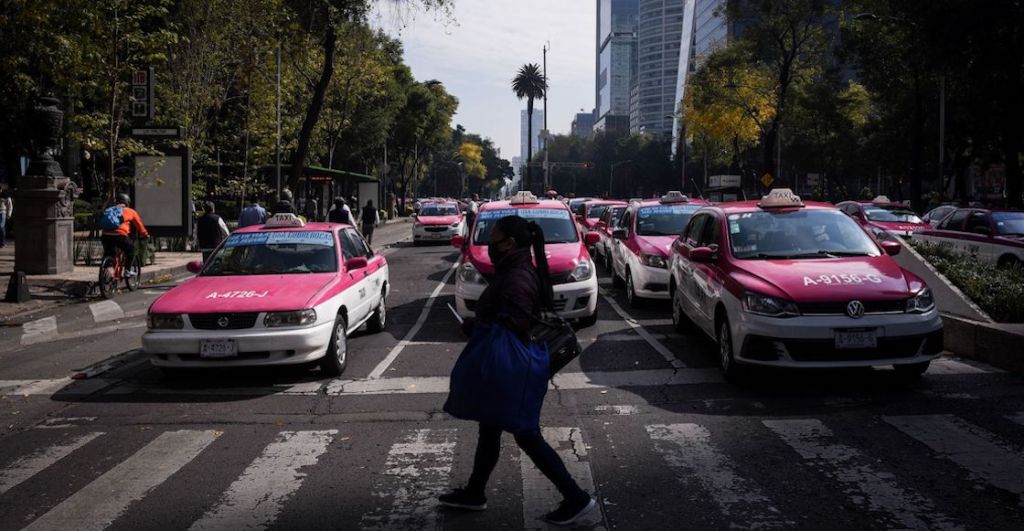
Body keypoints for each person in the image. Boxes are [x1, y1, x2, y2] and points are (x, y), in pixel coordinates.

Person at [439, 216, 596, 526]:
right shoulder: (514, 269)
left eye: (494, 239)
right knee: (490, 428)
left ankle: (576, 498)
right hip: (508, 365)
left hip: (513, 368)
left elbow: (519, 321)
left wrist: (479, 325)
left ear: (509, 243)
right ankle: (474, 493)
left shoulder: (518, 277)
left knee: (526, 435)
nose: (489, 246)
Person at [100, 193, 149, 275]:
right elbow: (139, 225)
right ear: (127, 202)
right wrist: (145, 234)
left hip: (105, 235)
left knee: (109, 253)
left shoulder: (110, 209)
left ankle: (106, 272)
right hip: (120, 236)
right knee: (131, 250)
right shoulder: (130, 211)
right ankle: (127, 270)